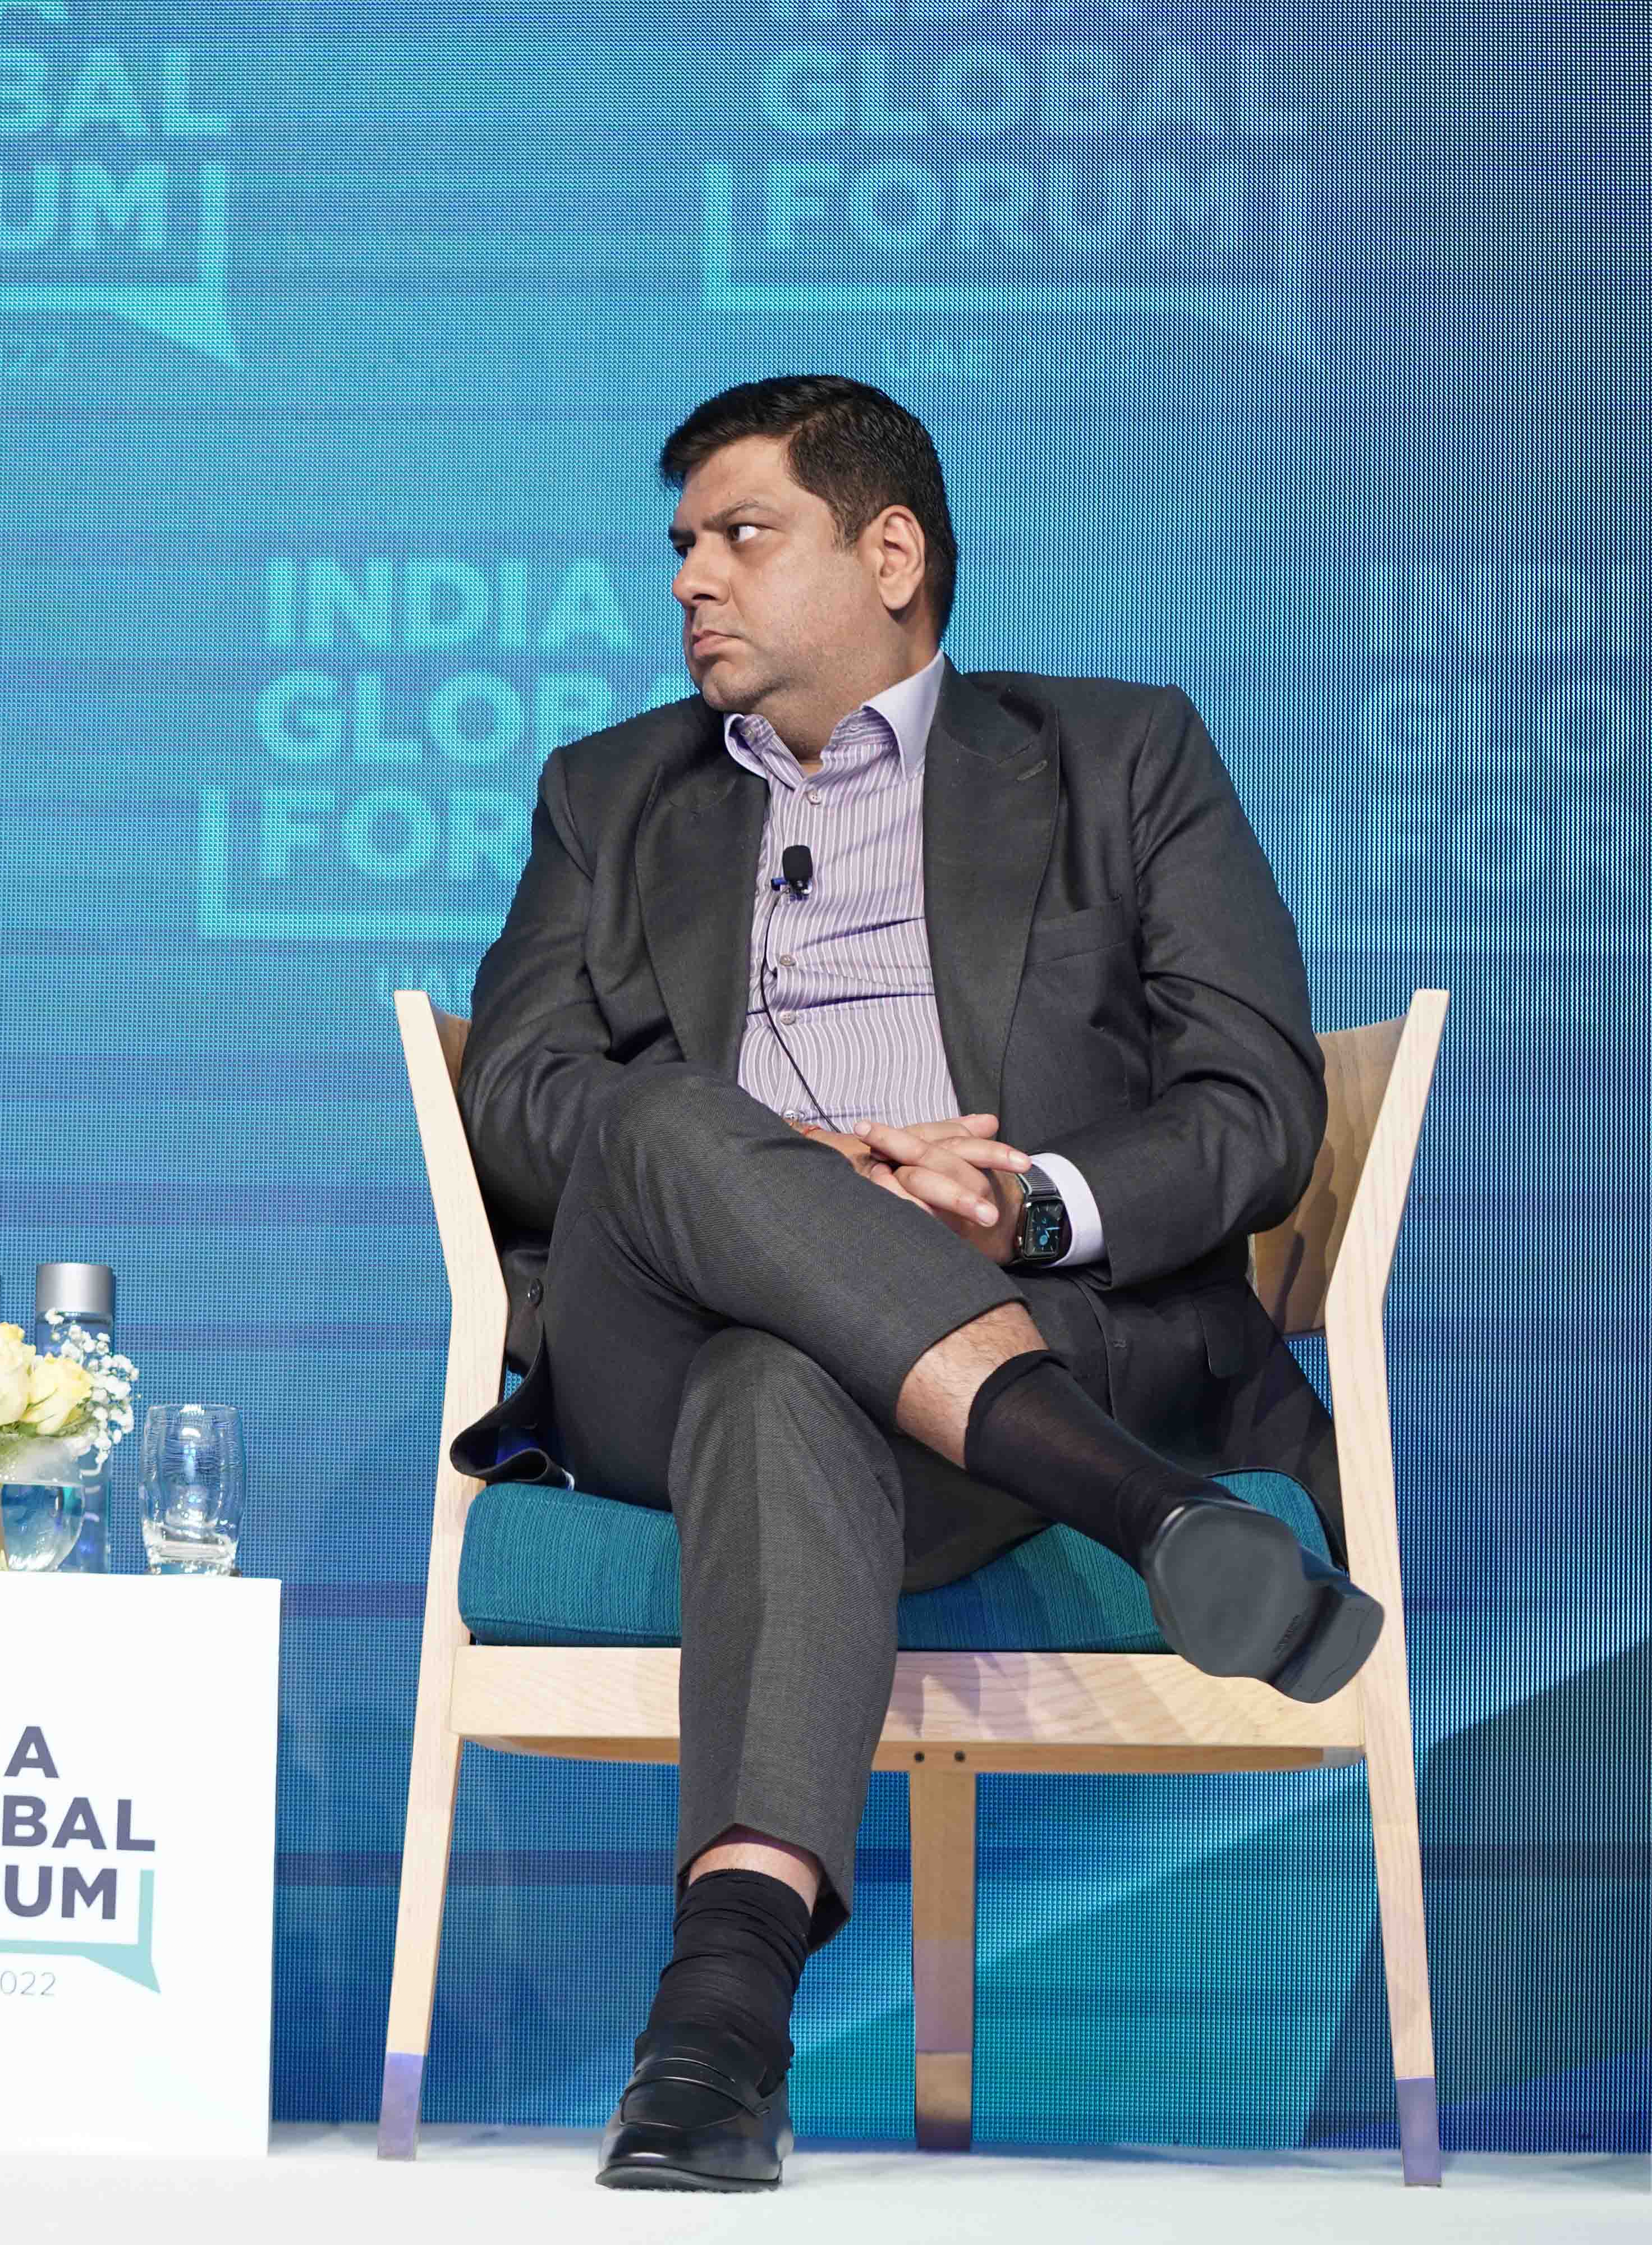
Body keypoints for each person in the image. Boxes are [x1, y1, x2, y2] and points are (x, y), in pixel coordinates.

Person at [452, 376, 1376, 2192]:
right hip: (666, 1342)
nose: (690, 580)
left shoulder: (1120, 757)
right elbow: (520, 1101)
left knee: (785, 1378)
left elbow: (1256, 1107)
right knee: (659, 1118)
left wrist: (1028, 1207)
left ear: (891, 555)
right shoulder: (608, 796)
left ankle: (717, 2027)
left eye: (742, 535)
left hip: (1033, 1323)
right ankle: (1157, 1517)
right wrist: (806, 1175)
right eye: (680, 546)